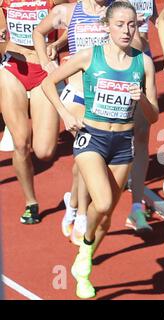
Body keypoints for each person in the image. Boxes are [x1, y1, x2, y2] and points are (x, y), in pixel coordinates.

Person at [41, 1, 159, 298]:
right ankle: (85, 239)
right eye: (119, 24)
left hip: (123, 143)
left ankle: (85, 258)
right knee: (104, 203)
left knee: (106, 215)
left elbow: (154, 114)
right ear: (106, 26)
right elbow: (48, 83)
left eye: (131, 25)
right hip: (91, 137)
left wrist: (141, 97)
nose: (126, 30)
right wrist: (67, 115)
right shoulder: (89, 56)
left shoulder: (142, 63)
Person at [33, 0, 115, 244]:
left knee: (86, 159)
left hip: (106, 98)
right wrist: (47, 64)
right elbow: (38, 32)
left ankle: (74, 201)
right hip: (77, 95)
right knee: (89, 151)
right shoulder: (68, 11)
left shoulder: (116, 11)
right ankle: (81, 215)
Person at [0, 0, 68, 224]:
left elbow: (75, 23)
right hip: (12, 67)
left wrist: (57, 44)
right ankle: (31, 202)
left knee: (45, 151)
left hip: (44, 69)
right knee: (20, 143)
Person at [124, 0, 158, 232]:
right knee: (105, 137)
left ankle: (136, 206)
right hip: (108, 66)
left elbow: (156, 18)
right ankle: (80, 209)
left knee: (142, 135)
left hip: (138, 61)